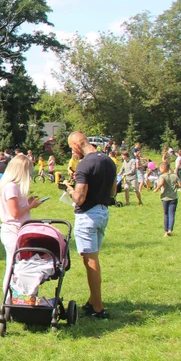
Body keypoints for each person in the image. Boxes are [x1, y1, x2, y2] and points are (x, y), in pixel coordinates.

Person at [67, 131, 116, 319]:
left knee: (90, 262)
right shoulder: (109, 160)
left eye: (72, 148)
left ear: (77, 145)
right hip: (103, 212)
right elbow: (112, 190)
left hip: (87, 216)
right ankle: (92, 300)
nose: (73, 152)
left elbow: (79, 198)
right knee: (92, 258)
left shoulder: (84, 165)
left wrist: (70, 189)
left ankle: (97, 308)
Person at [0, 154, 45, 295]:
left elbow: (16, 208)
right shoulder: (11, 187)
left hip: (17, 231)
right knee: (13, 267)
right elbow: (15, 213)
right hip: (12, 231)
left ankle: (16, 298)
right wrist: (31, 207)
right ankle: (8, 299)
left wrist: (27, 202)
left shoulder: (12, 186)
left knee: (17, 265)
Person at [153, 161, 181, 237]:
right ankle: (170, 230)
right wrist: (176, 186)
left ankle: (166, 231)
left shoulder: (162, 176)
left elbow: (161, 183)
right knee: (172, 214)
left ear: (163, 168)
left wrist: (156, 189)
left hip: (165, 198)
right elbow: (180, 185)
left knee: (166, 214)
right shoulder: (174, 176)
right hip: (174, 197)